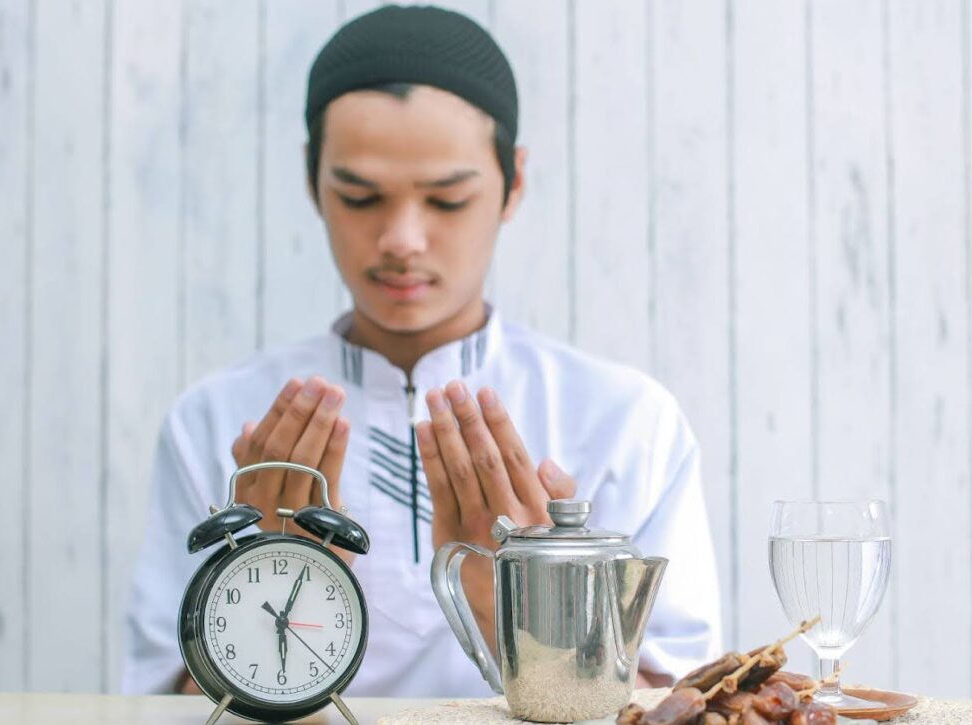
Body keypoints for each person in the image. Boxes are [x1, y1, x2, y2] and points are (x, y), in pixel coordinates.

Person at [122, 4, 721, 698]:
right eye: (361, 195)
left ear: (513, 183)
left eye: (447, 200)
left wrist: (520, 616)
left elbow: (688, 704)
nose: (403, 237)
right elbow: (155, 705)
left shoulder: (628, 423)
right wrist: (269, 581)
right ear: (312, 180)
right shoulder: (216, 423)